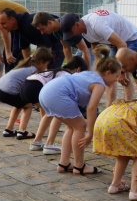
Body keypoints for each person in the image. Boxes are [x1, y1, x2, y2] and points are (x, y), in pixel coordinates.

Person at [39, 46, 122, 176]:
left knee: (72, 127)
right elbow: (91, 108)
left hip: (45, 93)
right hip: (57, 94)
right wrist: (90, 133)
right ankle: (79, 165)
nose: (117, 79)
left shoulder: (89, 74)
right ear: (108, 73)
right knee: (81, 126)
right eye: (116, 76)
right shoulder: (99, 84)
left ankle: (64, 163)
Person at [60, 10, 137, 103]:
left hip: (130, 39)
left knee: (124, 77)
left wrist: (121, 71)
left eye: (71, 32)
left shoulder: (97, 25)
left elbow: (122, 45)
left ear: (77, 25)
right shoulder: (83, 30)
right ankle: (109, 108)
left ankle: (127, 106)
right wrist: (100, 65)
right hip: (114, 42)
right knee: (109, 75)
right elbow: (95, 45)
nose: (72, 35)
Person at [22, 57, 88, 154]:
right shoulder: (67, 75)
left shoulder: (59, 71)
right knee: (58, 112)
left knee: (50, 113)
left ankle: (37, 142)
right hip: (35, 87)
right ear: (78, 69)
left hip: (25, 87)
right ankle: (49, 144)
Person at [0, 47, 54, 140]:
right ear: (41, 62)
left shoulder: (25, 66)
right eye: (47, 64)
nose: (46, 67)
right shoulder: (34, 71)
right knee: (28, 106)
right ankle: (22, 131)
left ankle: (9, 129)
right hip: (7, 92)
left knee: (19, 104)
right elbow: (38, 95)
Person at [0, 8, 66, 69]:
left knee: (49, 71)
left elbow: (47, 47)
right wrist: (28, 66)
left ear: (12, 20)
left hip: (57, 40)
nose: (1, 27)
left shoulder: (28, 25)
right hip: (46, 44)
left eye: (3, 23)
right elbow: (24, 48)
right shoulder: (18, 27)